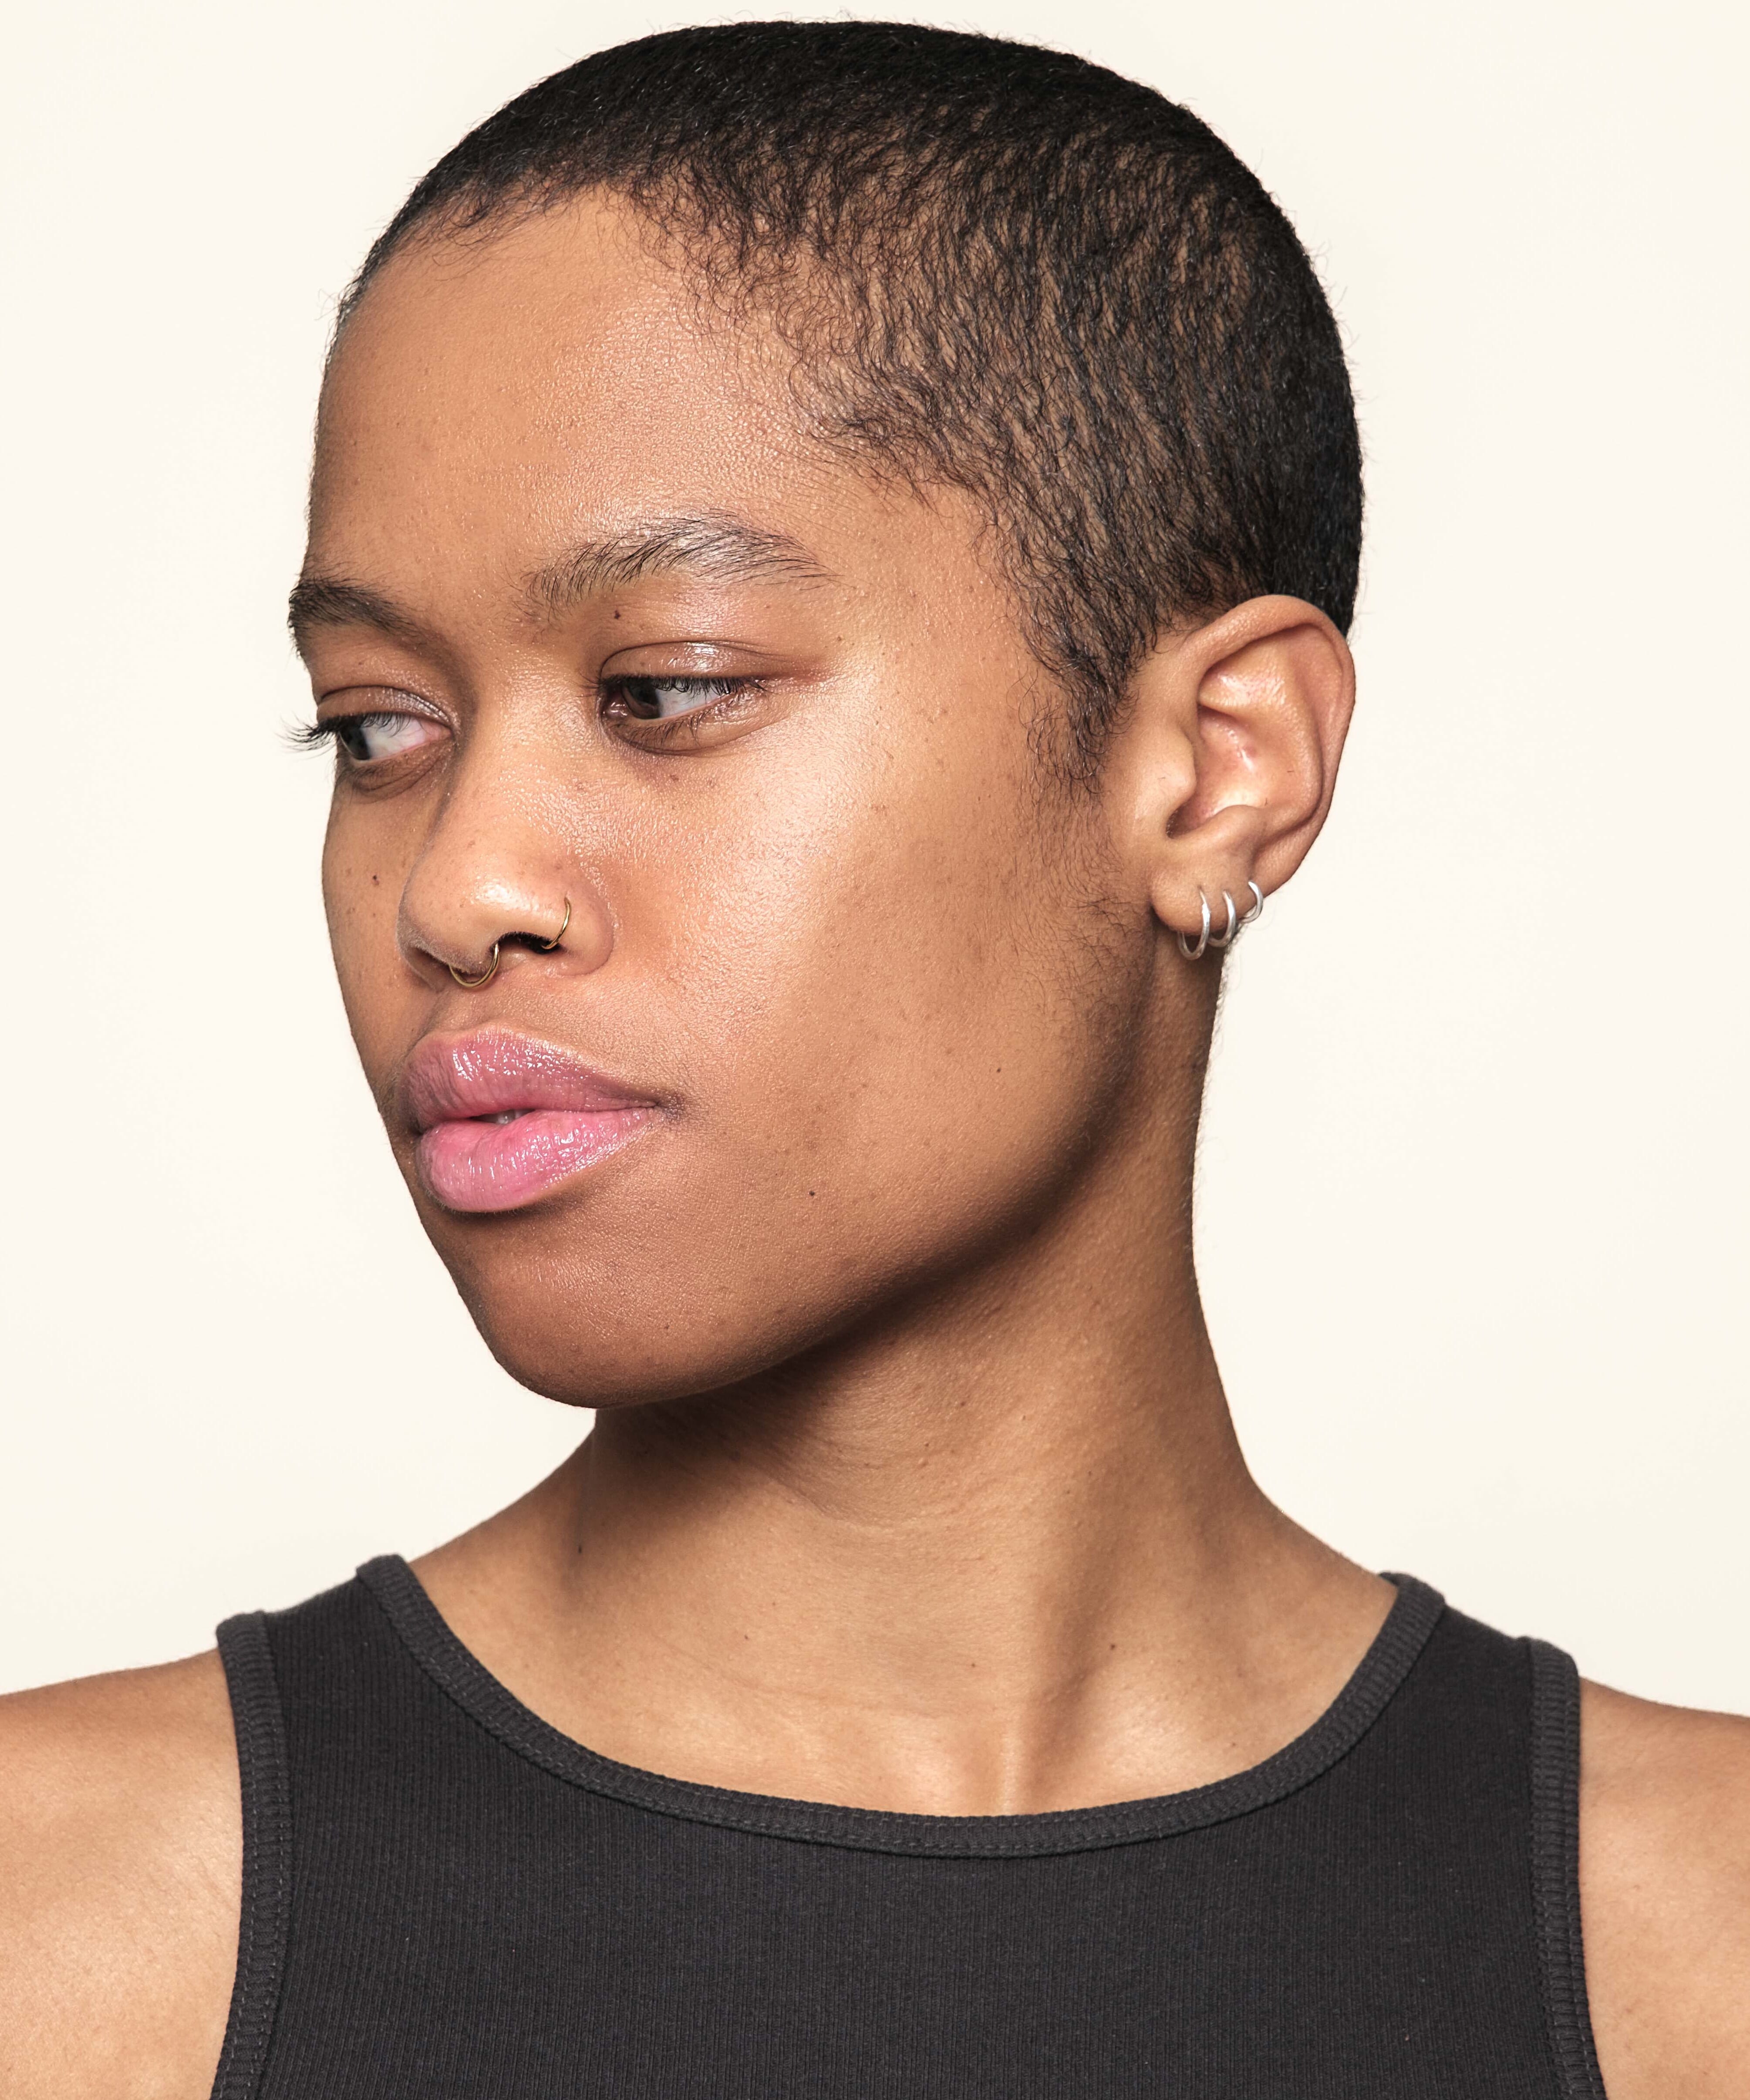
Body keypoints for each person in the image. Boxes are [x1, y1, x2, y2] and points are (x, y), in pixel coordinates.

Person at [2, 21, 1745, 2098]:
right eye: (378, 725)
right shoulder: (63, 1941)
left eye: (666, 690)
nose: (458, 889)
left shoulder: (1701, 1957)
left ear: (1219, 768)